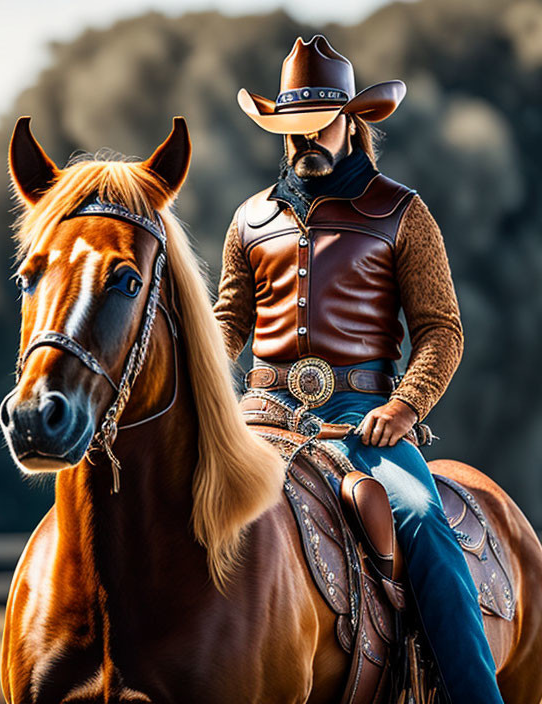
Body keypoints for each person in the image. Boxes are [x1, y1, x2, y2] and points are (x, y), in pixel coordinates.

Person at [212, 34, 504, 704]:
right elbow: (227, 323)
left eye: (318, 125)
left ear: (353, 121)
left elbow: (441, 332)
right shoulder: (248, 220)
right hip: (258, 413)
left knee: (423, 521)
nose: (305, 140)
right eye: (291, 130)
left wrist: (404, 407)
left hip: (363, 420)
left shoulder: (404, 212)